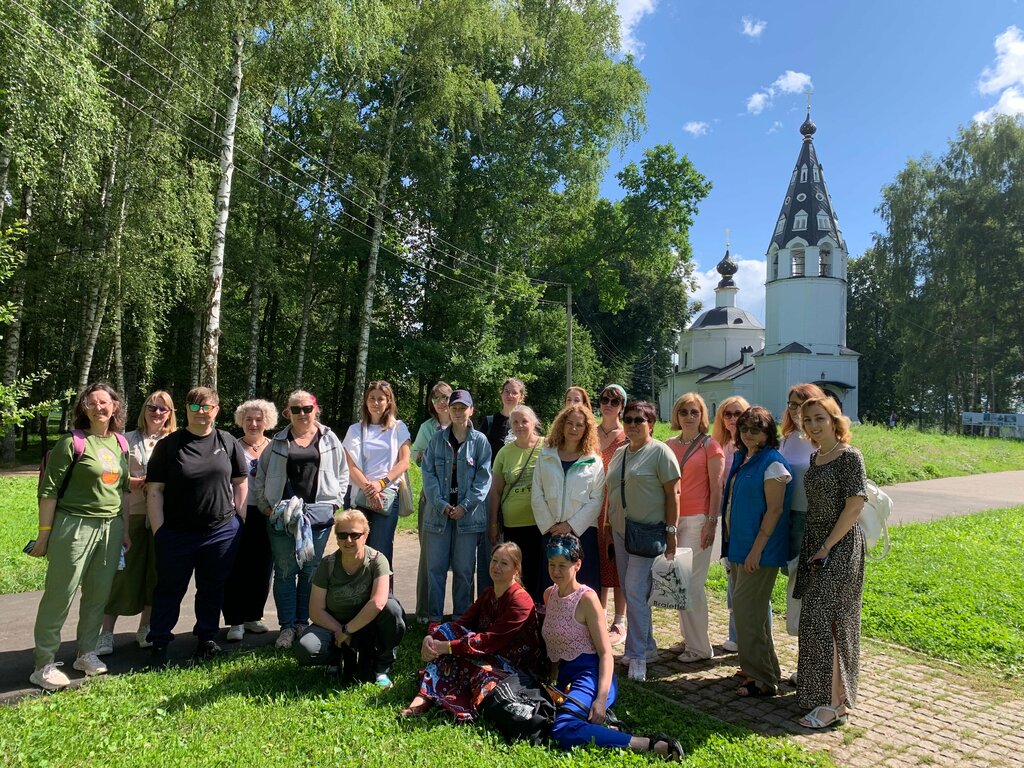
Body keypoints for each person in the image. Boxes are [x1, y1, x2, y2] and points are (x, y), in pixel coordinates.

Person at [542, 534, 684, 759]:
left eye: (562, 565)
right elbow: (555, 651)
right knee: (547, 719)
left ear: (577, 565)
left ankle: (649, 744)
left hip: (592, 675)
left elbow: (606, 653)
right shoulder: (550, 595)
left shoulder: (587, 599)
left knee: (562, 729)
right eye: (552, 565)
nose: (556, 571)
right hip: (566, 679)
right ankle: (607, 730)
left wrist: (600, 699)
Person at [28, 383, 131, 691]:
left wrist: (124, 530)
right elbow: (48, 492)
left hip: (110, 528)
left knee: (98, 594)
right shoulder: (72, 443)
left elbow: (122, 490)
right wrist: (44, 535)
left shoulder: (121, 444)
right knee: (61, 594)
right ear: (84, 408)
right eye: (93, 403)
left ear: (115, 407)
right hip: (74, 525)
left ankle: (86, 653)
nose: (100, 407)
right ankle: (43, 663)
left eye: (105, 402)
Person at [145, 387, 247, 667]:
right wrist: (159, 531)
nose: (201, 413)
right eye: (195, 407)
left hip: (221, 531)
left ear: (217, 409)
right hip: (176, 533)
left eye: (207, 407)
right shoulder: (169, 445)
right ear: (186, 409)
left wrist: (239, 521)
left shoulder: (227, 442)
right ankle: (160, 642)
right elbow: (154, 491)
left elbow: (240, 482)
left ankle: (206, 639)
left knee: (212, 588)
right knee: (169, 589)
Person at [401, 541, 544, 720]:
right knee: (445, 631)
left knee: (476, 671)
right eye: (494, 561)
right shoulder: (488, 594)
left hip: (513, 667)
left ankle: (440, 696)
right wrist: (431, 638)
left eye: (504, 563)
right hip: (486, 654)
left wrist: (447, 647)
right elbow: (462, 623)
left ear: (517, 569)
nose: (496, 567)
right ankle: (424, 697)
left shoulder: (520, 601)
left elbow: (488, 641)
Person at [794, 396, 867, 729]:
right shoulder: (816, 456)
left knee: (832, 624)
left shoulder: (850, 456)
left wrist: (826, 546)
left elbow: (854, 507)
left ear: (834, 419)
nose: (813, 425)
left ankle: (836, 704)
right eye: (807, 420)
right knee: (813, 622)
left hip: (840, 546)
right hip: (818, 546)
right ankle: (820, 694)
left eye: (819, 418)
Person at [255, 390, 349, 649]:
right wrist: (266, 507)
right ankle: (286, 628)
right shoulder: (278, 442)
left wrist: (334, 503)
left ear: (315, 409)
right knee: (285, 573)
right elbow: (261, 475)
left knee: (310, 571)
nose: (302, 414)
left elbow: (343, 472)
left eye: (307, 408)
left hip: (317, 518)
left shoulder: (329, 439)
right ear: (288, 412)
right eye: (296, 409)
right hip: (282, 517)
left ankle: (302, 622)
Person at [606, 400, 681, 682]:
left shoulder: (660, 452)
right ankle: (647, 646)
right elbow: (612, 492)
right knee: (629, 589)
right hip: (621, 531)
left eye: (639, 420)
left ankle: (636, 656)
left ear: (651, 422)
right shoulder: (620, 453)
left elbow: (674, 494)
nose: (633, 424)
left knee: (636, 591)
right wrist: (609, 528)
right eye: (629, 419)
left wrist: (671, 532)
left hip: (648, 533)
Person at [98, 390, 175, 657]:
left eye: (163, 409)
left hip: (164, 516)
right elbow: (110, 474)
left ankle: (146, 628)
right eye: (152, 407)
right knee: (122, 573)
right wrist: (129, 481)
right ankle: (106, 633)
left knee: (157, 574)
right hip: (131, 514)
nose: (157, 413)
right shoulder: (126, 439)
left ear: (170, 414)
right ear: (144, 410)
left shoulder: (175, 441)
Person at [724, 406, 792, 698]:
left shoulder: (773, 463)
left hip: (759, 552)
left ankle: (761, 678)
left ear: (768, 433)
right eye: (745, 428)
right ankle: (764, 671)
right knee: (752, 615)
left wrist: (756, 551)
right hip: (740, 547)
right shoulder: (743, 459)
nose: (749, 433)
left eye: (756, 429)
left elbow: (775, 511)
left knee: (746, 613)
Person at [294, 510, 406, 688]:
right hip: (333, 624)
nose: (348, 540)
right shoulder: (327, 564)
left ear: (365, 535)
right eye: (343, 535)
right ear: (336, 537)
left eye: (355, 535)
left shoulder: (378, 560)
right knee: (306, 648)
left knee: (392, 610)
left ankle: (381, 667)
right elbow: (315, 610)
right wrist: (341, 631)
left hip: (367, 623)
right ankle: (335, 658)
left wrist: (348, 630)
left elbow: (378, 602)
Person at [421, 389, 492, 621]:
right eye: (455, 408)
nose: (459, 412)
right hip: (438, 515)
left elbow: (484, 478)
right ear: (448, 410)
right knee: (436, 570)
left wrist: (466, 506)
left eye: (463, 407)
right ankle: (434, 619)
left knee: (463, 571)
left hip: (467, 518)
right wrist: (442, 505)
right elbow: (428, 475)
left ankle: (461, 618)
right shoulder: (436, 439)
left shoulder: (480, 441)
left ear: (471, 410)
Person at [665, 393, 724, 663]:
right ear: (676, 415)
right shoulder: (668, 445)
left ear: (703, 416)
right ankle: (690, 638)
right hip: (674, 522)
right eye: (684, 411)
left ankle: (700, 648)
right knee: (679, 583)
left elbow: (717, 487)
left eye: (694, 412)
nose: (689, 416)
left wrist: (711, 522)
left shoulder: (710, 446)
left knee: (691, 585)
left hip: (700, 520)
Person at [532, 403, 605, 594]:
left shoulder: (594, 460)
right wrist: (551, 526)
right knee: (550, 588)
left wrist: (570, 526)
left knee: (582, 588)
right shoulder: (546, 454)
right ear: (562, 425)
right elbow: (537, 493)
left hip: (582, 533)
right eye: (569, 423)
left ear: (586, 428)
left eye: (579, 425)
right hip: (551, 531)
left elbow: (596, 499)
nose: (573, 429)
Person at [222, 399, 278, 642]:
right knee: (236, 567)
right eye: (248, 419)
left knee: (263, 567)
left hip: (267, 513)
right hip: (238, 512)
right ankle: (235, 620)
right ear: (241, 422)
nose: (253, 424)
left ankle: (253, 616)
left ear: (267, 422)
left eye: (258, 419)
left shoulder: (276, 447)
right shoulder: (231, 446)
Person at [342, 380, 411, 569]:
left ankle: (383, 597)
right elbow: (350, 465)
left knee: (381, 552)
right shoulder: (354, 430)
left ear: (389, 402)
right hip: (358, 495)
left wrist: (380, 485)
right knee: (355, 550)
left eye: (381, 399)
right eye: (372, 398)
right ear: (366, 401)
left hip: (387, 496)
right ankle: (357, 597)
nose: (376, 403)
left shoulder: (398, 428)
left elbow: (404, 462)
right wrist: (369, 489)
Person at [780, 383, 827, 639]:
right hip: (790, 519)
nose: (796, 410)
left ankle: (814, 658)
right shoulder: (785, 440)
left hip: (818, 521)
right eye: (792, 404)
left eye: (801, 403)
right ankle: (804, 649)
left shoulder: (824, 441)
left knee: (814, 589)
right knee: (795, 584)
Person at [487, 405, 543, 602]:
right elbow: (495, 491)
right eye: (515, 422)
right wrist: (493, 524)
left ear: (534, 422)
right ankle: (517, 615)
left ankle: (538, 616)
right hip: (513, 525)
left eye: (524, 421)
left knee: (539, 575)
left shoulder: (547, 448)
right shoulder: (504, 453)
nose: (520, 425)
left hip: (542, 525)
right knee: (516, 574)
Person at [410, 381, 453, 622]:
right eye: (436, 399)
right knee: (429, 555)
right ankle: (426, 611)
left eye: (445, 398)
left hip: (458, 501)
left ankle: (460, 613)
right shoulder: (427, 428)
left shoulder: (463, 425)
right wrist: (427, 454)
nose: (441, 403)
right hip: (431, 499)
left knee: (461, 560)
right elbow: (416, 455)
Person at [711, 395, 750, 654]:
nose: (733, 419)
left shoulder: (751, 446)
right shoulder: (720, 447)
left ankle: (751, 637)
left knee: (750, 582)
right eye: (728, 414)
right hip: (727, 523)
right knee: (731, 578)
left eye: (738, 414)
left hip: (747, 520)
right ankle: (735, 634)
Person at [596, 384, 629, 646]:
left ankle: (620, 620)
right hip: (591, 505)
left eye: (615, 400)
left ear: (622, 406)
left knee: (616, 562)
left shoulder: (627, 435)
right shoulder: (590, 431)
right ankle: (599, 615)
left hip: (616, 504)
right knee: (597, 563)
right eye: (605, 399)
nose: (608, 404)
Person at [480, 377, 526, 460]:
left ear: (521, 397)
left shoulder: (526, 423)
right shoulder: (489, 422)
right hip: (492, 471)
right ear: (501, 394)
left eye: (514, 393)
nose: (509, 396)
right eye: (506, 391)